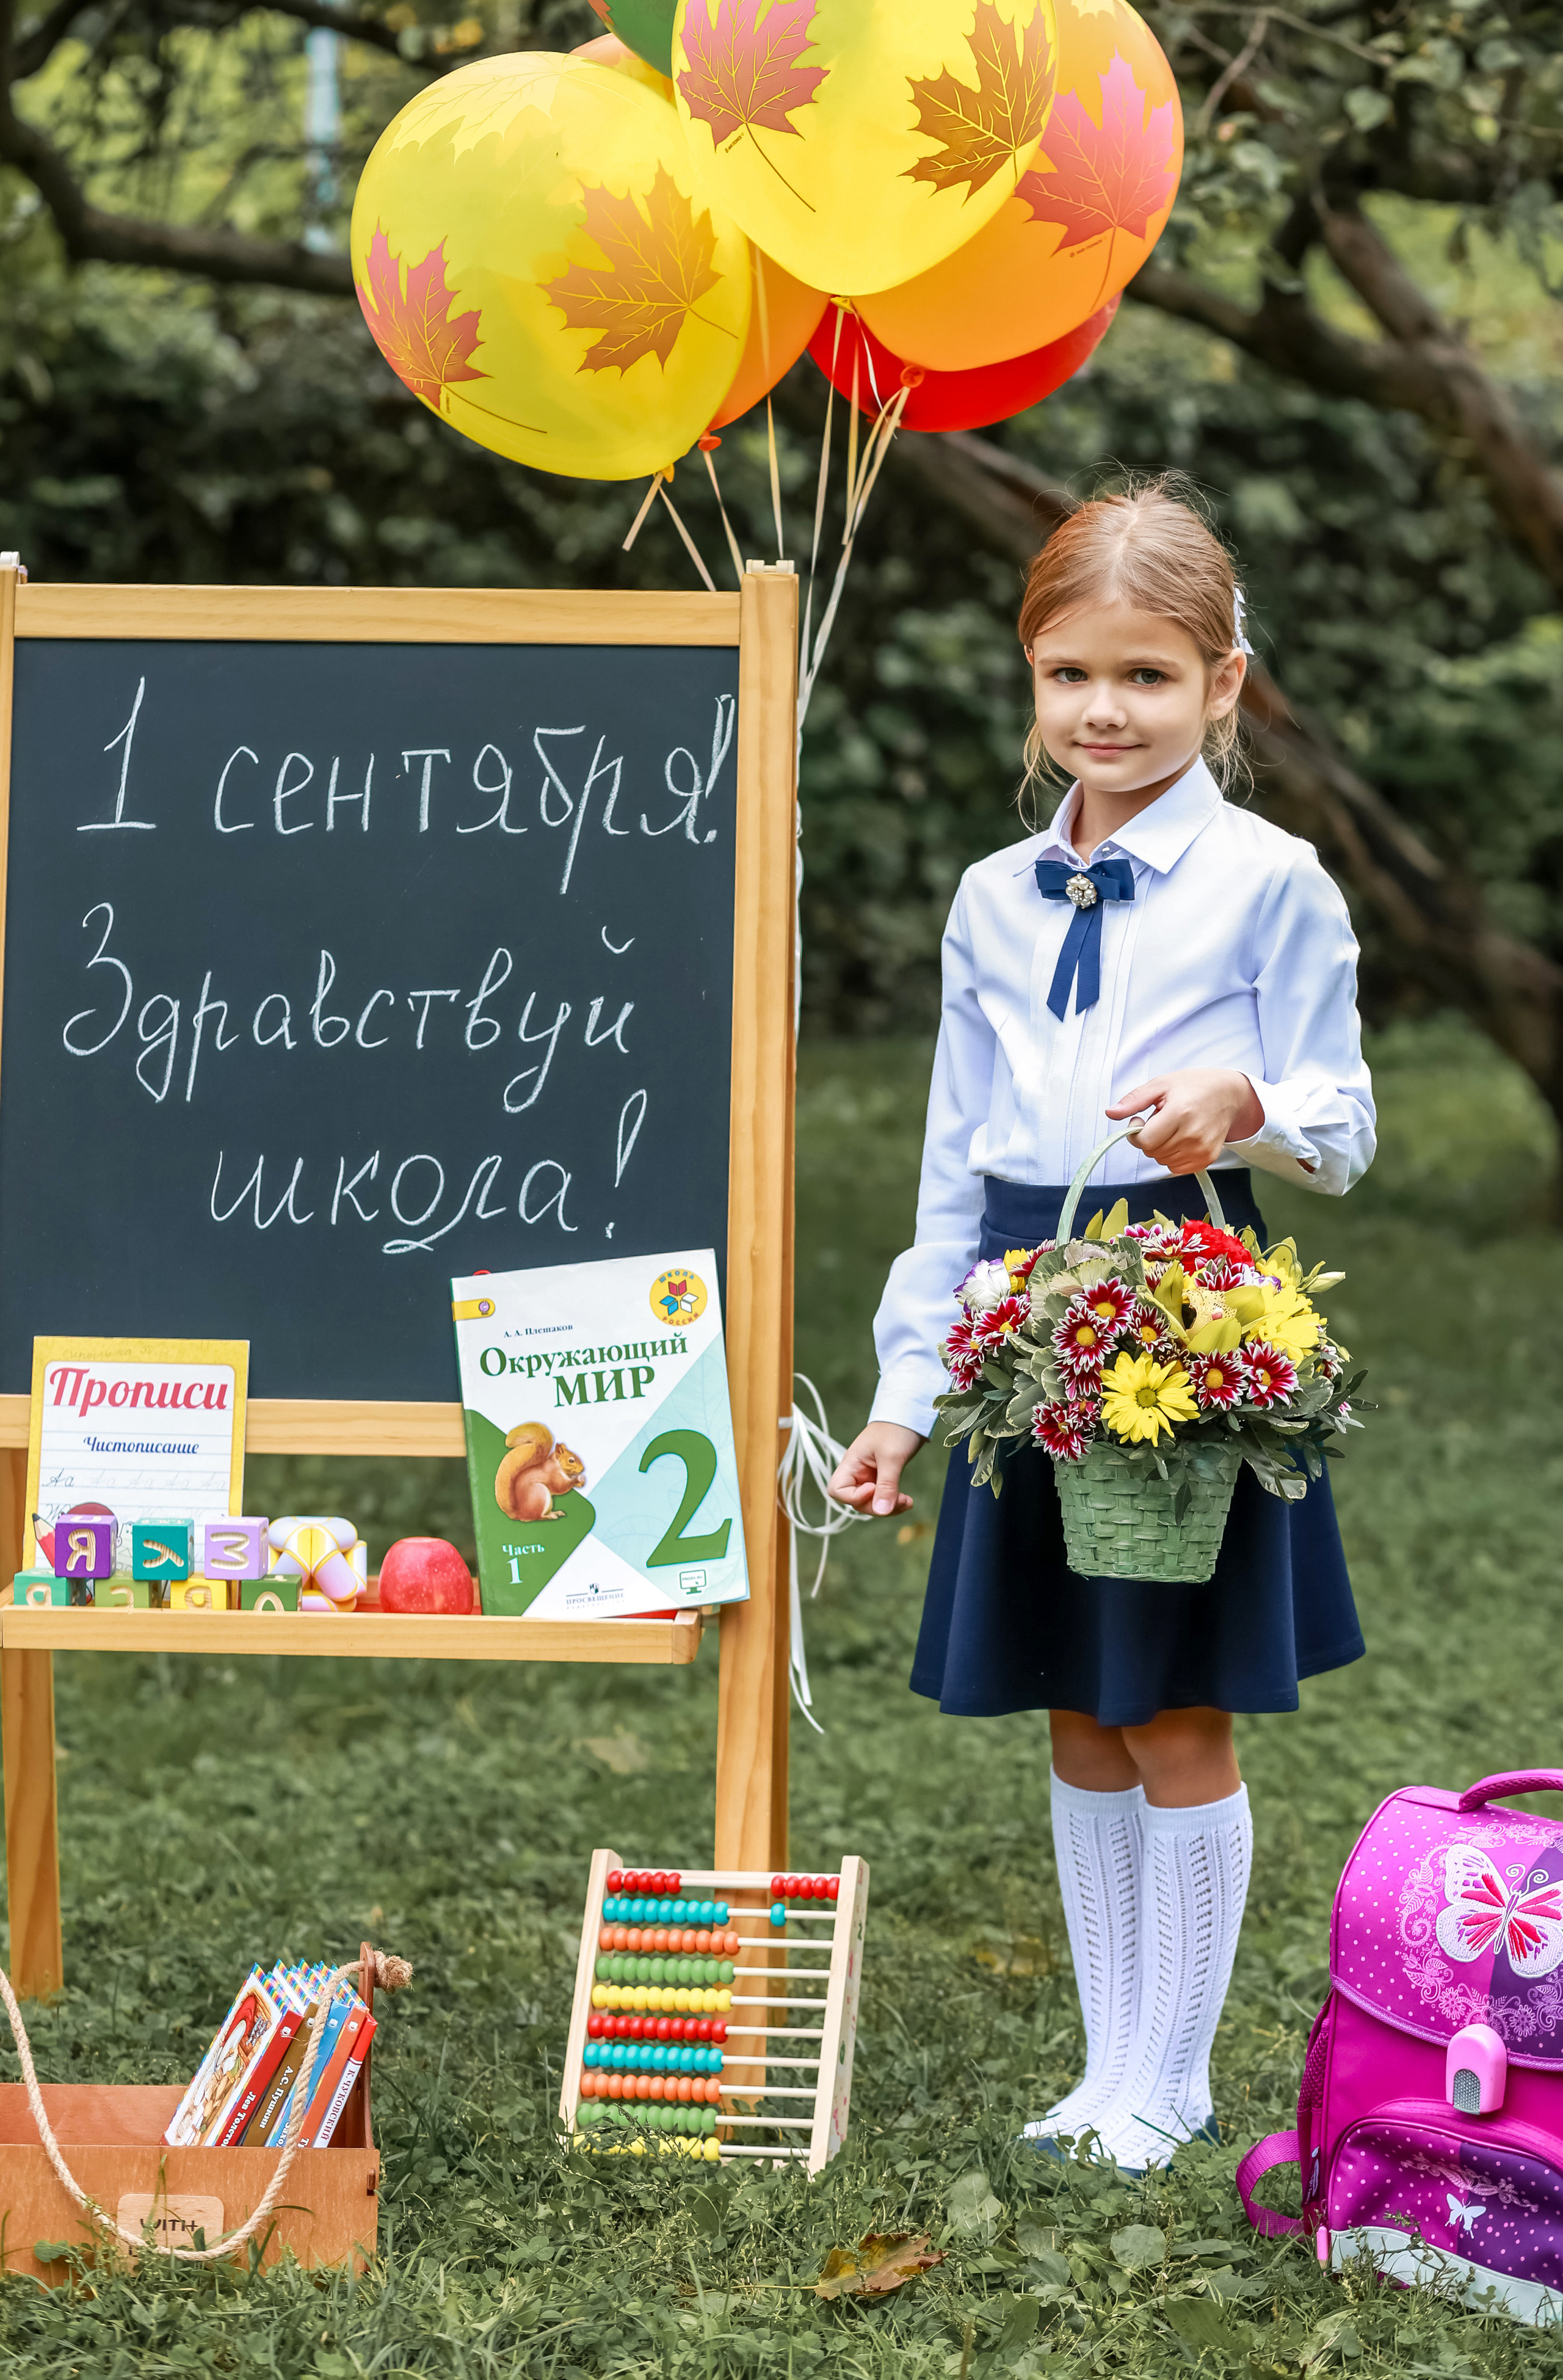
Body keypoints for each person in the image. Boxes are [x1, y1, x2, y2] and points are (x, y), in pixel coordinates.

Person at [827, 480, 1376, 2174]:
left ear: (1224, 683)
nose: (1104, 711)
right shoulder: (993, 897)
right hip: (1018, 1313)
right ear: (1032, 678)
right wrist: (904, 1397)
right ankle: (1108, 2062)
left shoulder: (1272, 881)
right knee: (1076, 1697)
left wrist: (1245, 1101)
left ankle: (1176, 2068)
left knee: (1172, 1705)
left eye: (1146, 676)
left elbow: (1347, 1121)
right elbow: (949, 1168)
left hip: (1179, 1315)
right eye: (1070, 674)